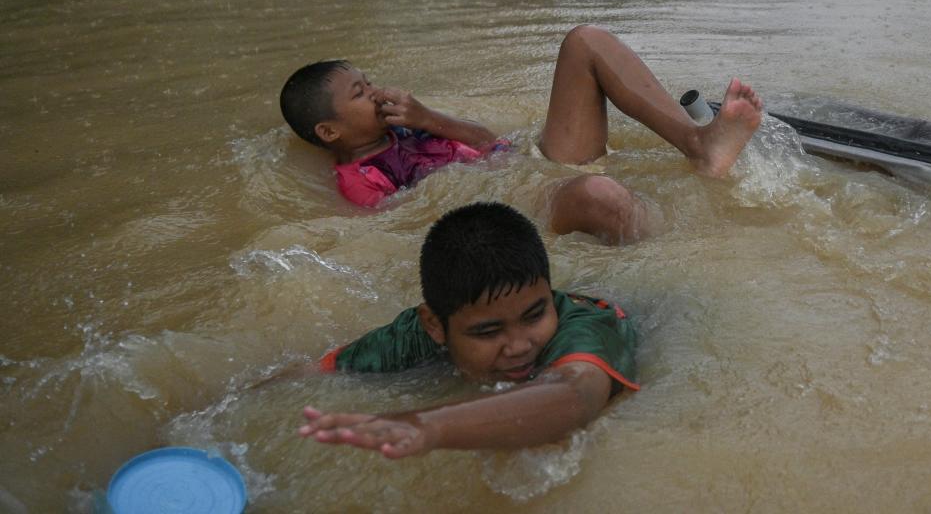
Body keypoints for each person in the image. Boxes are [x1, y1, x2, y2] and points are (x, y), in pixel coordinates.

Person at [278, 25, 765, 242]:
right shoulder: (359, 179)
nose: (377, 92)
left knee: (585, 42)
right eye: (361, 93)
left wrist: (428, 118)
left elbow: (488, 142)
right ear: (329, 130)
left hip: (527, 165)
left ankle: (698, 145)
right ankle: (704, 246)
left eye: (370, 81)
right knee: (601, 195)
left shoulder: (407, 127)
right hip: (517, 207)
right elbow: (406, 228)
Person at [300, 201, 635, 457]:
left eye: (534, 315)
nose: (519, 346)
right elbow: (313, 373)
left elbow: (575, 396)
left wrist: (429, 426)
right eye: (489, 333)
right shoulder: (414, 335)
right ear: (435, 325)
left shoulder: (581, 328)